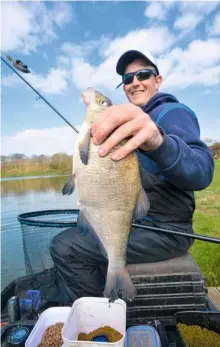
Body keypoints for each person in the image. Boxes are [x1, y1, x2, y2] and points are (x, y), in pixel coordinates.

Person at [50, 49, 214, 302]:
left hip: (167, 231)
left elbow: (202, 172)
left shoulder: (172, 112)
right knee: (80, 228)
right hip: (142, 222)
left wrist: (157, 140)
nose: (135, 82)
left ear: (157, 81)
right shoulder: (131, 121)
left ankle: (94, 316)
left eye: (143, 74)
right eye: (128, 79)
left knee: (64, 247)